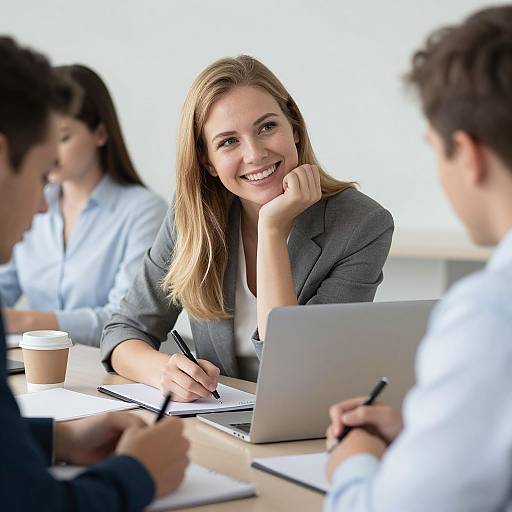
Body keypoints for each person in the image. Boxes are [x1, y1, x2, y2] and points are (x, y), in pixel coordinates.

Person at [101, 55, 394, 397]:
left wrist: (271, 229)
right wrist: (163, 372)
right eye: (228, 141)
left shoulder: (361, 225)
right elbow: (123, 330)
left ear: (294, 129)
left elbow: (294, 367)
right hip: (217, 423)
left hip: (307, 425)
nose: (254, 154)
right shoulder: (193, 214)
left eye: (267, 127)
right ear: (207, 162)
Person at [325, 6, 512, 511]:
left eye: (434, 148)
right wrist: (427, 433)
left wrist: (354, 461)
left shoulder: (490, 314)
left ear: (467, 155)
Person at [0, 36, 189, 511]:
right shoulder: (44, 215)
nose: (42, 204)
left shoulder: (143, 210)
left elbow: (118, 318)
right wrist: (135, 475)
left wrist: (57, 439)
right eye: (43, 173)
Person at [0, 64, 167, 346]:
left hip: (101, 371)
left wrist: (23, 321)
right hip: (35, 364)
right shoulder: (33, 204)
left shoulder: (144, 211)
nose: (52, 151)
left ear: (100, 134)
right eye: (46, 138)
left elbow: (124, 320)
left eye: (63, 137)